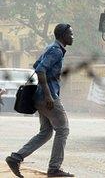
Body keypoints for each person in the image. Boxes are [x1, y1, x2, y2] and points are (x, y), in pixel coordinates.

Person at [6, 24, 74, 178]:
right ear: (63, 35)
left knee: (46, 132)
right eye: (70, 34)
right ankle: (54, 168)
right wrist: (49, 95)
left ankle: (15, 158)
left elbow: (37, 64)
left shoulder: (52, 48)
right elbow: (41, 70)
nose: (72, 37)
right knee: (63, 130)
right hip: (47, 98)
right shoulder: (56, 50)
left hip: (40, 96)